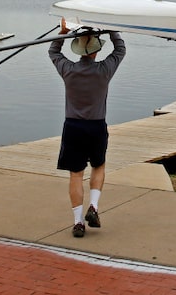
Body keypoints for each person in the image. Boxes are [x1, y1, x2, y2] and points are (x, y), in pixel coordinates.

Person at [49, 19, 126, 238]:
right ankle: (93, 206)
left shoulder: (68, 70)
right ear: (95, 50)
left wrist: (63, 33)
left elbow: (53, 51)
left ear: (78, 49)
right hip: (97, 126)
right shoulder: (104, 70)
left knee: (76, 174)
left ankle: (78, 222)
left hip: (73, 126)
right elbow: (120, 50)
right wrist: (112, 30)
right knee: (99, 166)